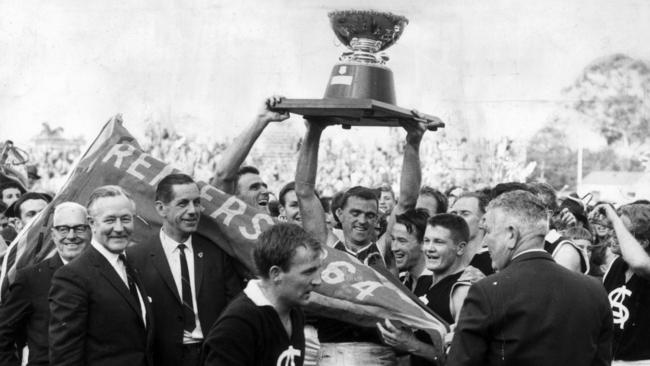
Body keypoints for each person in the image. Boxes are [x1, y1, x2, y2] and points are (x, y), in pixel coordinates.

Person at [447, 190, 613, 366]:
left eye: (488, 231)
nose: (485, 241)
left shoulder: (488, 292)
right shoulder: (594, 290)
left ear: (511, 234)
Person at [127, 173, 242, 366]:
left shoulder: (216, 252)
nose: (193, 211)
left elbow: (234, 306)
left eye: (196, 203)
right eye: (183, 204)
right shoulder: (136, 257)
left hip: (214, 356)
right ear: (161, 208)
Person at [49, 186, 153, 366]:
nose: (119, 228)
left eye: (126, 219)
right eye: (110, 220)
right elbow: (65, 357)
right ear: (91, 223)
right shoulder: (72, 276)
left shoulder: (133, 265)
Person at [203, 223, 322, 366]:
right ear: (276, 274)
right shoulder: (237, 325)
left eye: (317, 270)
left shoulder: (295, 311)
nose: (317, 281)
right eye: (308, 272)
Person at [0, 202, 90, 366]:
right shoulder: (30, 278)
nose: (71, 236)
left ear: (90, 231)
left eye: (79, 228)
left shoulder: (105, 273)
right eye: (63, 229)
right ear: (53, 234)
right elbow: (3, 333)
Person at [378, 213, 469, 366]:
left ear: (460, 248)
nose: (429, 248)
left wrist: (412, 345)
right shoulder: (424, 282)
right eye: (426, 241)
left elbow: (462, 358)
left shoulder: (462, 290)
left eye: (439, 242)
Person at [211, 96, 289, 211]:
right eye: (254, 187)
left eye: (264, 186)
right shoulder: (231, 225)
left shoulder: (276, 226)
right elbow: (223, 175)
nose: (265, 191)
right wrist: (262, 119)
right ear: (234, 198)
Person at [597, 203, 650, 362]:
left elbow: (639, 263)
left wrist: (614, 217)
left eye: (621, 229)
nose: (614, 233)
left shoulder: (643, 265)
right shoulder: (616, 264)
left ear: (642, 242)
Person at [392, 209, 431, 297]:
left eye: (402, 241)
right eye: (393, 239)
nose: (393, 248)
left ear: (424, 243)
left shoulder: (439, 285)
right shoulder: (402, 280)